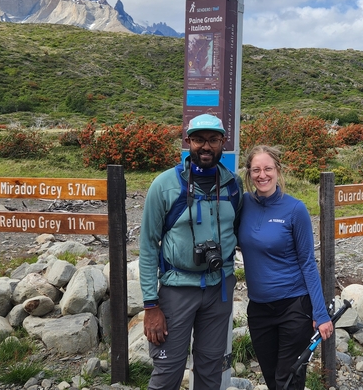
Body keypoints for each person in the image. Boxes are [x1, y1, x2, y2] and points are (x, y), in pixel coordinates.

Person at [139, 113, 242, 390]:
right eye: (198, 140)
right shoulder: (164, 185)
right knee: (167, 372)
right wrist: (150, 305)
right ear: (188, 142)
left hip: (218, 288)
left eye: (213, 140)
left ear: (223, 142)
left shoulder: (233, 185)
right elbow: (148, 245)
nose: (205, 147)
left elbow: (241, 233)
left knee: (210, 370)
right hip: (176, 289)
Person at [237, 145, 333, 390]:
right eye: (256, 170)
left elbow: (308, 263)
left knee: (288, 379)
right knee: (272, 379)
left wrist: (320, 314)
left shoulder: (295, 209)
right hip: (258, 309)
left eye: (268, 168)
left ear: (278, 170)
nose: (262, 175)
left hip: (294, 307)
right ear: (249, 173)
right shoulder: (243, 203)